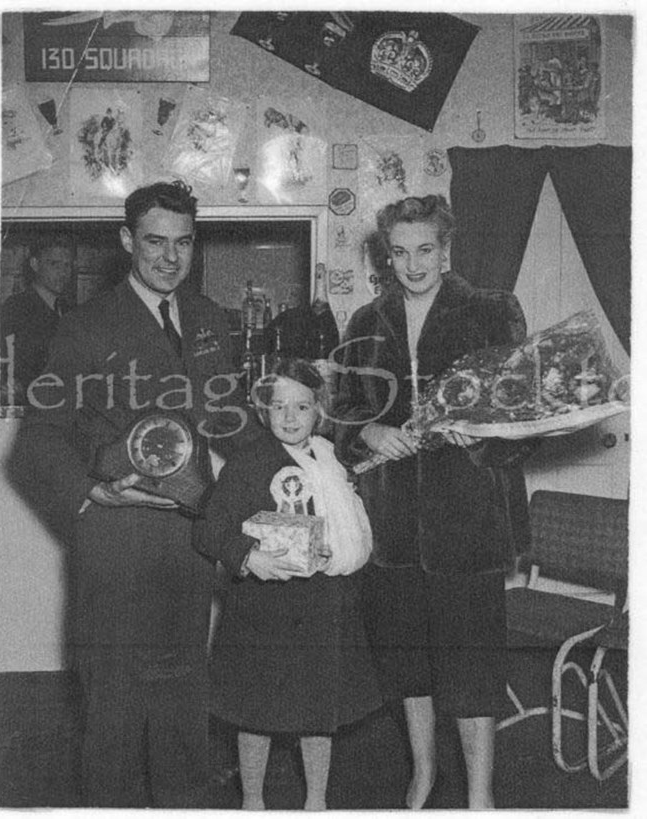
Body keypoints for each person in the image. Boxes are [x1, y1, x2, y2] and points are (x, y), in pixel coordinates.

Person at [10, 180, 258, 807]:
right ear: (127, 242)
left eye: (183, 243)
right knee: (115, 714)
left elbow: (225, 413)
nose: (169, 258)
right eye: (155, 242)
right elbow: (37, 441)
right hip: (117, 545)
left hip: (191, 539)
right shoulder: (86, 326)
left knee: (183, 713)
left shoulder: (206, 317)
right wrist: (93, 493)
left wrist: (300, 451)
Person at [333, 196, 536, 810]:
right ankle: (423, 774)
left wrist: (481, 435)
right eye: (400, 251)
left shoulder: (490, 311)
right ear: (385, 255)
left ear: (446, 251)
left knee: (471, 672)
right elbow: (341, 413)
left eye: (425, 250)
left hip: (468, 523)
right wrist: (366, 432)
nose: (413, 263)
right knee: (408, 665)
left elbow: (524, 419)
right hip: (390, 529)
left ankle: (479, 797)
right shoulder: (366, 320)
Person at [193, 359, 381, 810]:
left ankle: (316, 802)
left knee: (319, 713)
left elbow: (350, 525)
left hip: (321, 607)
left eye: (302, 406)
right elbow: (207, 529)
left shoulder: (332, 459)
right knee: (255, 712)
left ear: (319, 411)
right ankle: (253, 801)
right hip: (263, 611)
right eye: (280, 407)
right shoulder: (247, 463)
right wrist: (247, 555)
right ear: (263, 412)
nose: (291, 417)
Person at [0, 231, 76, 406]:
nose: (63, 272)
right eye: (54, 264)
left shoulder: (70, 311)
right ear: (35, 264)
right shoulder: (15, 308)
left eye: (67, 265)